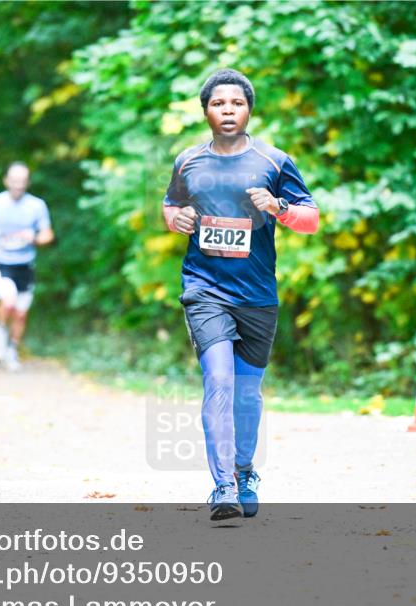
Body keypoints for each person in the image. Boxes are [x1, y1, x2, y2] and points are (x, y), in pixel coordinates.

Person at [163, 69, 320, 521]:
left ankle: (245, 469)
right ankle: (223, 486)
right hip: (204, 288)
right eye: (218, 103)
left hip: (256, 293)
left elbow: (310, 218)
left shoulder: (274, 161)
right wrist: (176, 220)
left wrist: (280, 208)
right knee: (219, 381)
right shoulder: (188, 161)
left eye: (236, 103)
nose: (228, 110)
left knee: (247, 394)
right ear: (206, 110)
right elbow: (171, 205)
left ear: (249, 109)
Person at [0, 162, 54, 371]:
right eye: (14, 180)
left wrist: (35, 238)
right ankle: (0, 332)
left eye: (22, 181)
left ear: (27, 182)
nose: (18, 185)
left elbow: (48, 235)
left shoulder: (37, 206)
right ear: (6, 181)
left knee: (20, 313)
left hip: (25, 264)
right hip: (1, 261)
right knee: (8, 302)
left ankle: (12, 349)